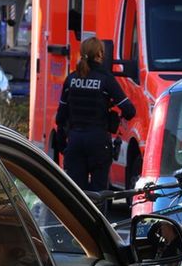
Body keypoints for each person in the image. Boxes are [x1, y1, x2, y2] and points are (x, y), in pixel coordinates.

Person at [54, 36, 136, 192]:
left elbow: (61, 116)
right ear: (100, 54)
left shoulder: (71, 79)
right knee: (99, 193)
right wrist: (113, 113)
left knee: (77, 195)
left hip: (75, 141)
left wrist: (63, 144)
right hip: (98, 142)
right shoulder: (106, 79)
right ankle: (96, 217)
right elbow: (129, 110)